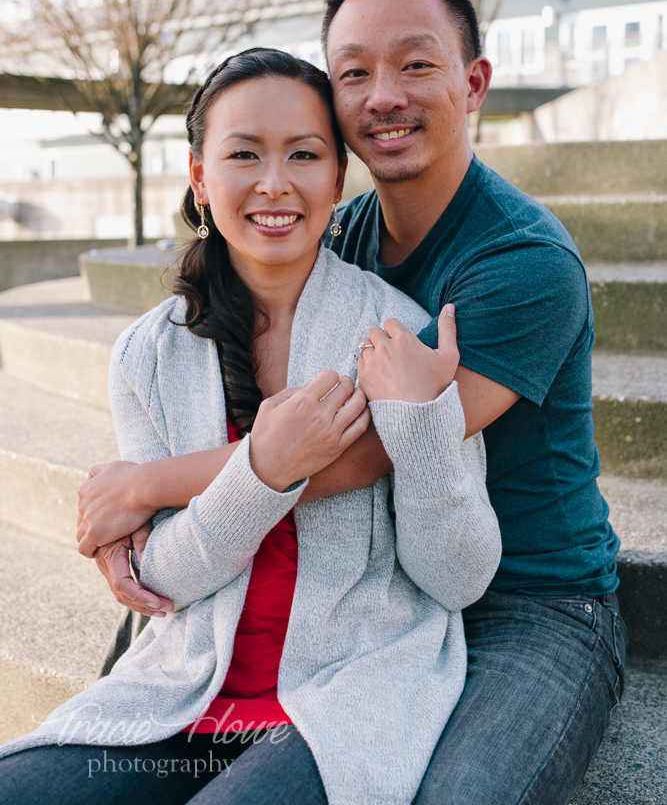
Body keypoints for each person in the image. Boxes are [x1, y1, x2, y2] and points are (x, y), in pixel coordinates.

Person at [83, 0, 627, 805]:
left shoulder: (523, 262)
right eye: (353, 73)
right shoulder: (343, 233)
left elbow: (364, 450)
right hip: (386, 587)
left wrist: (144, 486)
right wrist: (138, 528)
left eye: (415, 64)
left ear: (474, 81)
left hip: (533, 598)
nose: (383, 95)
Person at [0, 48, 501, 805]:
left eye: (304, 154)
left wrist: (425, 422)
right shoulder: (150, 351)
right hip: (181, 693)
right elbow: (159, 577)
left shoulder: (396, 333)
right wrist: (261, 469)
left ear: (337, 178)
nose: (275, 183)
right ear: (201, 177)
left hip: (343, 694)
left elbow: (457, 579)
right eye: (244, 155)